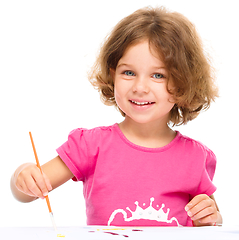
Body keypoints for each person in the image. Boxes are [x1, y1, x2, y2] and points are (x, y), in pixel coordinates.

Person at [11, 6, 222, 227]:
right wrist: (23, 174)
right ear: (113, 76)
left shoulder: (195, 157)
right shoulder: (91, 146)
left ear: (183, 83)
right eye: (128, 73)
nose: (140, 87)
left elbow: (211, 219)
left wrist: (212, 218)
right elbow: (26, 193)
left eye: (158, 75)